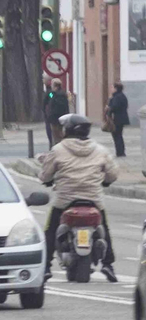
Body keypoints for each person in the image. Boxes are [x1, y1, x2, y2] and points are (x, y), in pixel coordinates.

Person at [39, 113, 119, 282]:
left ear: (67, 129)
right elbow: (112, 175)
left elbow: (45, 176)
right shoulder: (100, 150)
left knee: (51, 229)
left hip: (65, 200)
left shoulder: (58, 150)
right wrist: (104, 181)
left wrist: (48, 179)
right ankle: (108, 264)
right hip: (93, 200)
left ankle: (45, 266)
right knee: (104, 227)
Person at [106, 83, 130, 158]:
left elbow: (114, 107)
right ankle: (120, 151)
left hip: (117, 119)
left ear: (116, 89)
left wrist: (109, 107)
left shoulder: (117, 97)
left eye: (112, 88)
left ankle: (120, 152)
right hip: (121, 118)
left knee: (117, 135)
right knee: (118, 135)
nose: (111, 89)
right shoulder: (121, 96)